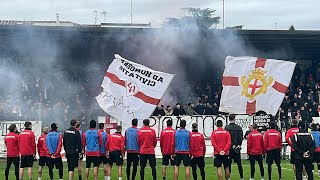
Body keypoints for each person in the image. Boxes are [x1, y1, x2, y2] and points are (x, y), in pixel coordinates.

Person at [225, 114, 244, 180]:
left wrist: (231, 145)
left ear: (229, 119)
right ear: (234, 118)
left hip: (230, 148)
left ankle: (229, 177)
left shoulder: (227, 128)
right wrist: (239, 145)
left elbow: (227, 138)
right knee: (239, 164)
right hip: (237, 148)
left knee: (229, 163)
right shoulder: (239, 128)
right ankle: (241, 177)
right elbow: (241, 137)